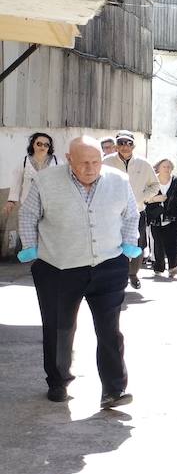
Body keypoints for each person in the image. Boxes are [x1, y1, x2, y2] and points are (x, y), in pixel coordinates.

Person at [17, 135, 139, 406]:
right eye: (83, 162)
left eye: (95, 161)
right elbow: (27, 215)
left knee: (109, 329)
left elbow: (131, 215)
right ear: (69, 159)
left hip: (108, 265)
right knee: (60, 328)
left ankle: (114, 389)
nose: (90, 168)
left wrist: (129, 246)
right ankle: (58, 381)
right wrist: (33, 251)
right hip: (58, 267)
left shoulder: (118, 181)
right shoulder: (46, 181)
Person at [102, 131, 159, 290]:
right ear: (116, 146)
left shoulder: (143, 163)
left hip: (137, 211)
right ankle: (115, 277)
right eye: (121, 143)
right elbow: (96, 181)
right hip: (112, 212)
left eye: (128, 143)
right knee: (112, 243)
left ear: (133, 145)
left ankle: (133, 274)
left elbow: (155, 185)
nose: (124, 146)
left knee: (137, 244)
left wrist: (142, 197)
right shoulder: (106, 162)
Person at [5, 132, 61, 225]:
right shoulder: (24, 161)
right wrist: (11, 201)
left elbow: (64, 181)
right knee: (29, 233)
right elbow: (16, 181)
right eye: (39, 144)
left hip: (51, 206)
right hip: (29, 206)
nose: (42, 147)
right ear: (33, 145)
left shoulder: (57, 161)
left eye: (46, 145)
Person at [146, 158, 177, 276]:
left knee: (172, 242)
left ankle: (173, 267)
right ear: (158, 168)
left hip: (174, 217)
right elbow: (144, 197)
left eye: (169, 167)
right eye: (164, 166)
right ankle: (159, 267)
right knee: (158, 242)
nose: (167, 169)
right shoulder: (152, 181)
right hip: (155, 216)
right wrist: (154, 199)